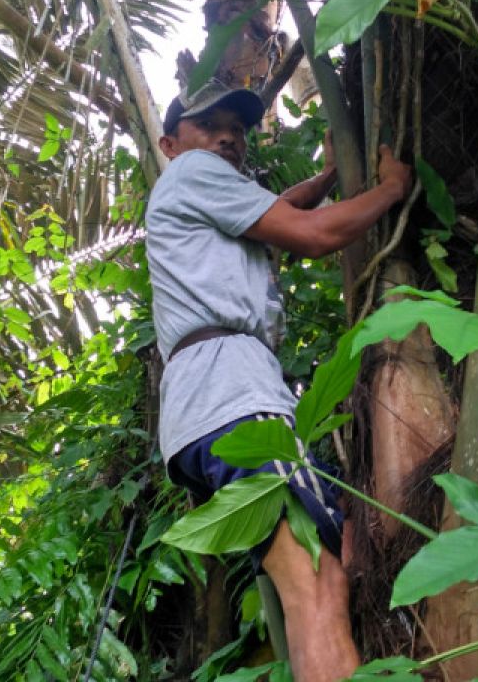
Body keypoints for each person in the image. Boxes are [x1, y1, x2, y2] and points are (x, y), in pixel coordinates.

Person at [145, 80, 412, 682]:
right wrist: (392, 188)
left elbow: (284, 212)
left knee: (314, 573)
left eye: (237, 129)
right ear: (170, 143)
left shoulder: (202, 196)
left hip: (207, 406)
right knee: (317, 585)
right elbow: (314, 235)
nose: (228, 137)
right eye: (208, 124)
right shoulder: (193, 173)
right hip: (233, 396)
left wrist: (323, 182)